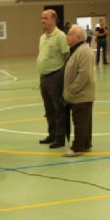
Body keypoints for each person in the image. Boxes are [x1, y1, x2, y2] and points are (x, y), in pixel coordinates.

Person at [37, 9, 69, 149]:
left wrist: (62, 76)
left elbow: (67, 56)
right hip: (44, 77)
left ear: (53, 20)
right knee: (49, 109)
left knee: (58, 109)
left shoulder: (60, 36)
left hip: (55, 77)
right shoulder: (43, 37)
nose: (42, 20)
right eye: (42, 18)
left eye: (45, 18)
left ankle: (60, 138)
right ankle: (52, 134)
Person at [62, 25, 96, 157]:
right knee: (84, 121)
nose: (67, 36)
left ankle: (77, 148)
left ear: (78, 37)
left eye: (70, 34)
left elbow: (84, 75)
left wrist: (72, 90)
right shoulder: (76, 50)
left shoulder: (84, 51)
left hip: (81, 95)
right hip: (78, 94)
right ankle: (85, 144)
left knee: (80, 121)